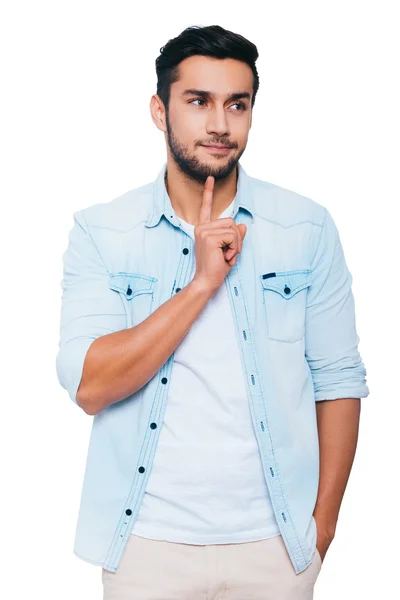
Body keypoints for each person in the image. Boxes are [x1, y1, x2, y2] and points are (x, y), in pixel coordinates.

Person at [56, 24, 370, 600]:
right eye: (198, 102)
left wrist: (321, 530)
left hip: (277, 548)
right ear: (160, 110)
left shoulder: (305, 228)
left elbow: (338, 379)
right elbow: (90, 385)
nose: (220, 124)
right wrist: (201, 284)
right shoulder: (104, 231)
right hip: (147, 547)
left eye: (237, 104)